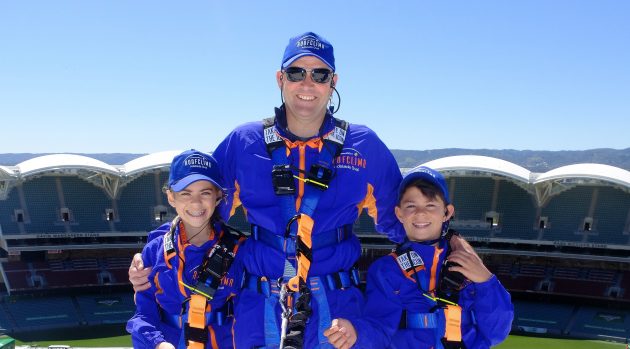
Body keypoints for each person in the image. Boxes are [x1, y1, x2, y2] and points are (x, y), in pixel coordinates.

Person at [130, 31, 406, 348]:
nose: (307, 83)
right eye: (295, 72)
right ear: (280, 79)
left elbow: (406, 223)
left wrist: (450, 248)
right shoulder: (244, 142)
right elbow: (199, 206)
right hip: (260, 308)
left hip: (337, 310)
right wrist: (150, 251)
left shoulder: (364, 146)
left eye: (320, 74)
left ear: (333, 82)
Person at [324, 166, 513, 349]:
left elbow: (496, 333)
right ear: (399, 213)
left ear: (447, 212)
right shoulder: (385, 270)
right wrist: (356, 333)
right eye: (411, 205)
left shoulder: (469, 265)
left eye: (430, 205)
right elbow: (379, 329)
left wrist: (486, 281)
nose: (420, 213)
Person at [126, 149, 245, 349]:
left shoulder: (239, 249)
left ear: (218, 196)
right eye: (185, 193)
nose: (196, 202)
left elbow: (251, 311)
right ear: (171, 197)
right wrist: (157, 344)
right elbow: (144, 314)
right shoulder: (155, 250)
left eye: (205, 192)